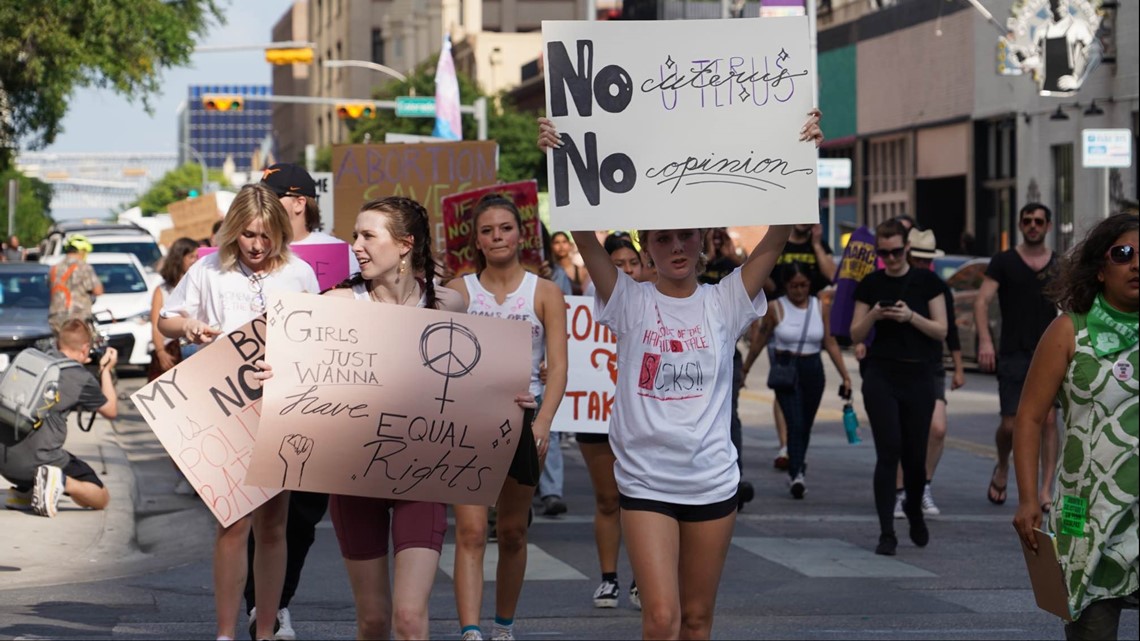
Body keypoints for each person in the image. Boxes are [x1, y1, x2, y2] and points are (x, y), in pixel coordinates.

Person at [539, 109, 822, 639]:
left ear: (702, 241)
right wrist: (559, 157)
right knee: (661, 618)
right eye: (662, 239)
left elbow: (777, 239)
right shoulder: (628, 300)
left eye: (685, 237)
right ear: (647, 246)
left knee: (696, 621)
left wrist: (800, 154)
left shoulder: (726, 300)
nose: (675, 248)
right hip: (646, 479)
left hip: (713, 479)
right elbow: (581, 231)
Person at [258, 196, 470, 640]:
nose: (355, 245)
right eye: (356, 235)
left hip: (421, 476)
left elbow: (469, 381)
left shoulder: (448, 303)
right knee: (373, 621)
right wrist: (274, 370)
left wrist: (508, 396)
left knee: (410, 619)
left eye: (368, 235)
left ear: (405, 244)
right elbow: (299, 374)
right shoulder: (336, 303)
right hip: (354, 477)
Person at [158, 184, 319, 641]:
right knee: (231, 523)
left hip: (282, 408)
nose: (257, 245)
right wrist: (187, 324)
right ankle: (225, 633)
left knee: (274, 524)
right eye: (248, 235)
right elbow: (167, 319)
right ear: (233, 231)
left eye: (267, 236)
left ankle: (265, 629)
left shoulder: (300, 273)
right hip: (224, 407)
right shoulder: (208, 270)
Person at [447, 193, 568, 641]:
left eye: (505, 228)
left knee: (514, 532)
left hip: (523, 425)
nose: (497, 237)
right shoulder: (458, 293)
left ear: (521, 234)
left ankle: (503, 626)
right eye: (486, 230)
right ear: (475, 240)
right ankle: (470, 631)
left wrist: (543, 423)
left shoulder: (546, 293)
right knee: (472, 532)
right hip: (467, 425)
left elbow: (558, 367)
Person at [1012, 212, 1138, 640]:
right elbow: (1029, 417)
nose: (1136, 263)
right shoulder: (1069, 331)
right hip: (1085, 516)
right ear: (1101, 270)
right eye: (1123, 254)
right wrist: (1029, 498)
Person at [244, 162, 350, 640]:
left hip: (318, 398)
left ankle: (278, 602)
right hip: (253, 399)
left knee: (304, 514)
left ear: (297, 201)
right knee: (255, 512)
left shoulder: (338, 255)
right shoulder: (246, 249)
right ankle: (258, 606)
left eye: (270, 195)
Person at [850, 218, 947, 556]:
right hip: (881, 374)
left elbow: (941, 330)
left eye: (895, 252)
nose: (890, 259)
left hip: (919, 375)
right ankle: (886, 533)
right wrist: (874, 315)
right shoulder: (871, 283)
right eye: (883, 253)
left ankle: (914, 510)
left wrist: (911, 318)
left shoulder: (928, 282)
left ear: (907, 247)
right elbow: (854, 334)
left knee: (915, 457)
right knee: (888, 451)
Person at [974, 203, 1059, 511]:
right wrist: (985, 340)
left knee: (1049, 421)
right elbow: (982, 301)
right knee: (1010, 425)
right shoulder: (1004, 261)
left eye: (1038, 221)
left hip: (1049, 354)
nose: (1033, 225)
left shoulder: (1058, 265)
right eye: (1027, 221)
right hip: (1012, 352)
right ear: (1021, 225)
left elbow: (1074, 304)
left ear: (1048, 226)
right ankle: (1002, 464)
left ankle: (1045, 489)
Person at [577, 233, 646, 610]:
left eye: (631, 263)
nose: (625, 271)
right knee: (608, 499)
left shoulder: (658, 300)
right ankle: (609, 579)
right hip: (594, 410)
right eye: (615, 264)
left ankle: (642, 578)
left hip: (640, 417)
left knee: (641, 498)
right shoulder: (589, 299)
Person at [745, 261, 852, 499]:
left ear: (810, 285)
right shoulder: (775, 308)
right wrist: (746, 369)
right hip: (785, 368)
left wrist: (845, 375)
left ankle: (799, 466)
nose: (799, 291)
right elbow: (760, 341)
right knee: (795, 422)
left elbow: (831, 342)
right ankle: (796, 474)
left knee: (806, 424)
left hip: (813, 368)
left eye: (803, 285)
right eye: (794, 286)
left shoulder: (820, 307)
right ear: (786, 286)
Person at [0, 319, 117, 517]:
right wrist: (106, 369)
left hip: (4, 461)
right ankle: (61, 481)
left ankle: (25, 494)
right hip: (39, 462)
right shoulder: (80, 377)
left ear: (57, 343)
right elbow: (111, 410)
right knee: (101, 497)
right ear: (85, 348)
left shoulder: (30, 361)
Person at [893, 228, 966, 518]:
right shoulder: (899, 283)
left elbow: (950, 329)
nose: (923, 265)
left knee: (937, 428)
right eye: (918, 259)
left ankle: (922, 486)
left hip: (931, 365)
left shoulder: (937, 286)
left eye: (927, 260)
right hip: (900, 364)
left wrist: (959, 367)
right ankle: (900, 493)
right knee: (903, 432)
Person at [765, 223, 835, 470]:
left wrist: (817, 244)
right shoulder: (780, 240)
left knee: (804, 397)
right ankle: (787, 446)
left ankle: (794, 445)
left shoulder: (818, 244)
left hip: (812, 318)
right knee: (784, 383)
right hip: (781, 319)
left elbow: (831, 275)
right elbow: (766, 279)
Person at [699, 228, 754, 509]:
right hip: (698, 350)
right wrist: (706, 249)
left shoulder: (731, 267)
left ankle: (734, 476)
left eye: (721, 238)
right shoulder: (695, 264)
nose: (717, 244)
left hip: (726, 354)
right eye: (712, 238)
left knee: (728, 414)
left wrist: (731, 255)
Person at [148, 237, 201, 382]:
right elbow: (155, 325)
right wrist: (161, 352)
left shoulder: (200, 286)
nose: (195, 261)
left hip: (197, 351)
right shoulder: (162, 291)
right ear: (179, 258)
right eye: (191, 256)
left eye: (198, 256)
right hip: (172, 352)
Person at [47, 235, 103, 333]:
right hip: (78, 317)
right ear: (82, 251)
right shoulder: (84, 267)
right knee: (80, 345)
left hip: (56, 317)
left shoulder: (54, 268)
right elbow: (98, 291)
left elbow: (49, 286)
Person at [551, 230, 590, 295]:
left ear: (570, 245)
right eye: (556, 242)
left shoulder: (582, 272)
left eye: (564, 242)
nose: (561, 246)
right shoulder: (549, 271)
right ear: (551, 246)